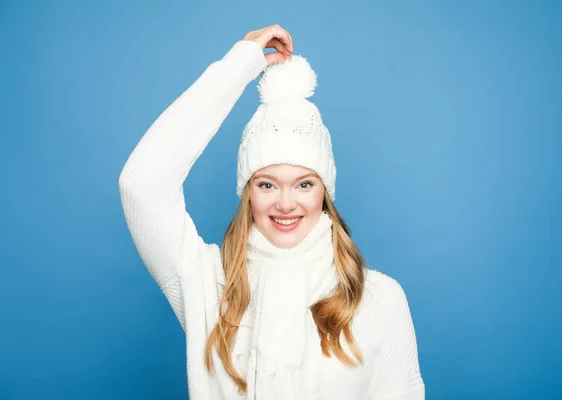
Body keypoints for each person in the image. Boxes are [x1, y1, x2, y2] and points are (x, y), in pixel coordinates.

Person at [118, 24, 425, 400]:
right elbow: (140, 183)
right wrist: (238, 66)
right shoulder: (210, 284)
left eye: (304, 184)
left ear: (324, 193)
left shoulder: (380, 299)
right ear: (247, 193)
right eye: (266, 184)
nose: (285, 203)